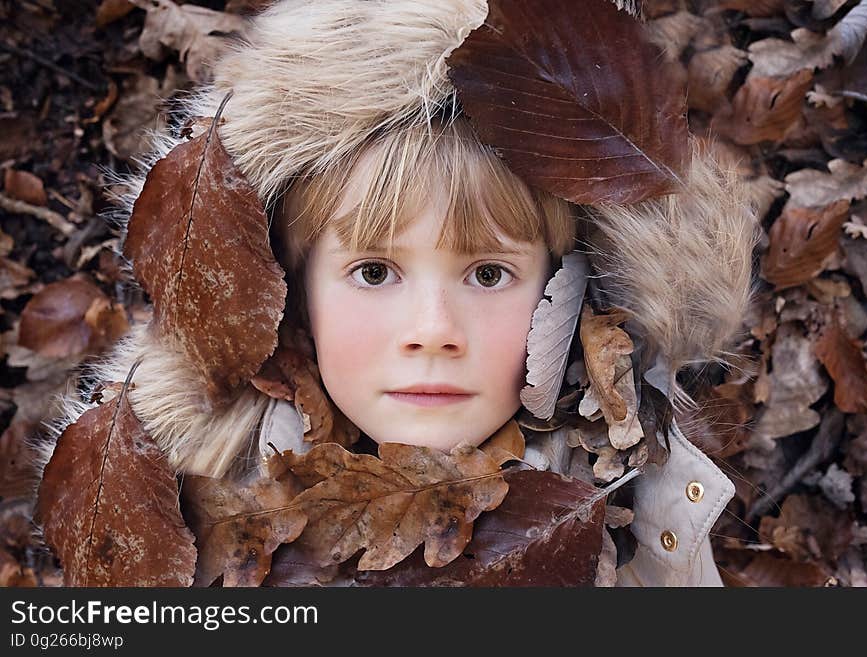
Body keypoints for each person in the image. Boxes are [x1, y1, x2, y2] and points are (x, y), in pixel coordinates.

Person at [26, 0, 760, 587]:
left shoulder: (637, 505)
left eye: (488, 273)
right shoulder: (197, 516)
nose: (433, 330)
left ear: (571, 284)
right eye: (375, 272)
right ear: (288, 293)